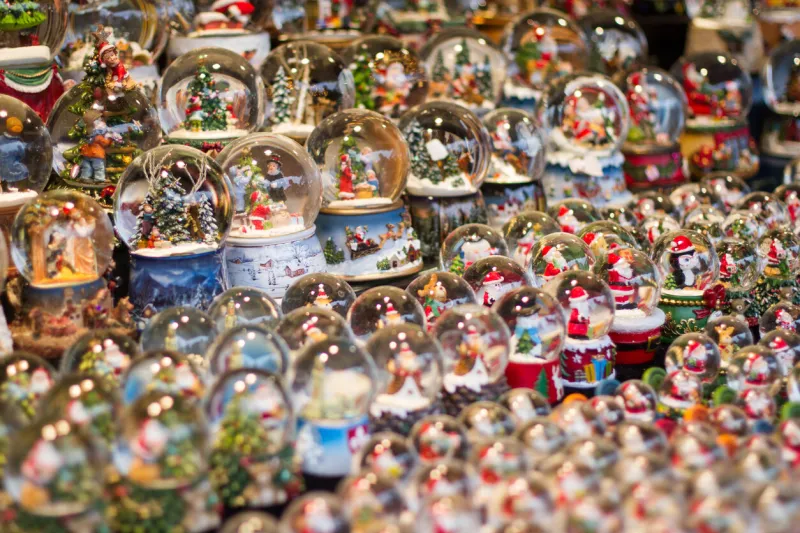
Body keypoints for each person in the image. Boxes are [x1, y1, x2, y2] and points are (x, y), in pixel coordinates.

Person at [79, 113, 113, 183]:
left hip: (87, 153)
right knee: (99, 167)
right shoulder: (98, 136)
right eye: (99, 120)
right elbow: (105, 143)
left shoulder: (89, 133)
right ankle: (99, 179)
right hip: (96, 154)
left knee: (87, 166)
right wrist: (110, 138)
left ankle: (84, 177)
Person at [0, 116, 29, 190]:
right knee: (23, 170)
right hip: (12, 164)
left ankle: (5, 187)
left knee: (3, 175)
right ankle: (21, 188)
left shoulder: (2, 139)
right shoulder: (18, 143)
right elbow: (22, 154)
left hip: (3, 165)